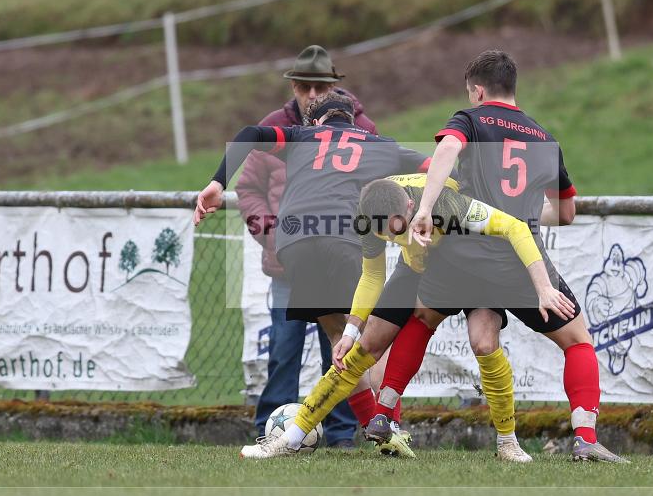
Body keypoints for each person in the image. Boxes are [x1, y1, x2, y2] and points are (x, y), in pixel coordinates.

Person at [239, 173, 575, 461]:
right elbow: (372, 277)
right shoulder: (366, 215)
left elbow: (516, 228)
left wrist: (543, 287)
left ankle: (508, 442)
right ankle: (290, 439)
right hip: (418, 264)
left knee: (484, 343)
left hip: (470, 260)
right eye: (383, 232)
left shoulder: (447, 204)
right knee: (361, 349)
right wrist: (351, 330)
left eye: (395, 229)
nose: (388, 237)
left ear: (411, 208)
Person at [402, 50, 627, 463]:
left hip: (464, 257)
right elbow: (566, 212)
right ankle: (585, 438)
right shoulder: (543, 137)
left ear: (478, 89)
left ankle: (384, 414)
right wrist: (523, 215)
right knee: (577, 342)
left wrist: (425, 207)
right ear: (513, 89)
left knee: (421, 320)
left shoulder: (468, 120)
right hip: (521, 262)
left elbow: (448, 150)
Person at [195, 92, 427, 440]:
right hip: (346, 238)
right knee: (375, 342)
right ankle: (388, 427)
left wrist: (217, 182)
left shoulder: (301, 136)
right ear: (352, 120)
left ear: (315, 122)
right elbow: (431, 166)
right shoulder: (380, 145)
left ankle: (374, 430)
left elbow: (248, 133)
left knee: (339, 336)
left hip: (295, 243)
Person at [236, 45, 373, 447]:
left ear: (334, 87)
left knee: (343, 349)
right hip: (286, 264)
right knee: (283, 350)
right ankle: (270, 429)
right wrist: (273, 235)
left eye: (320, 87)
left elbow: (377, 189)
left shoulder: (363, 129)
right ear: (293, 88)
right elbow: (248, 189)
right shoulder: (276, 127)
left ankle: (342, 433)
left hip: (341, 259)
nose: (312, 96)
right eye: (304, 87)